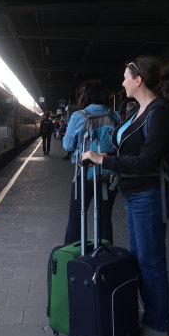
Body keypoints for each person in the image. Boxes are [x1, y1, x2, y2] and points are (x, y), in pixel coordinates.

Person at [82, 56, 169, 336]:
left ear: (138, 80)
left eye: (126, 78)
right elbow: (130, 153)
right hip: (136, 195)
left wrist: (105, 161)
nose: (122, 83)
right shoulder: (140, 110)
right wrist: (104, 157)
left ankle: (158, 325)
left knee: (150, 261)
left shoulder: (159, 112)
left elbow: (148, 160)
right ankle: (149, 316)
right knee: (140, 258)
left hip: (149, 194)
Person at [62, 80, 118, 244]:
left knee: (76, 218)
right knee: (104, 218)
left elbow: (68, 145)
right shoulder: (113, 116)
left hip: (83, 174)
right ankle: (104, 258)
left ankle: (71, 260)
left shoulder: (78, 116)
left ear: (84, 96)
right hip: (108, 173)